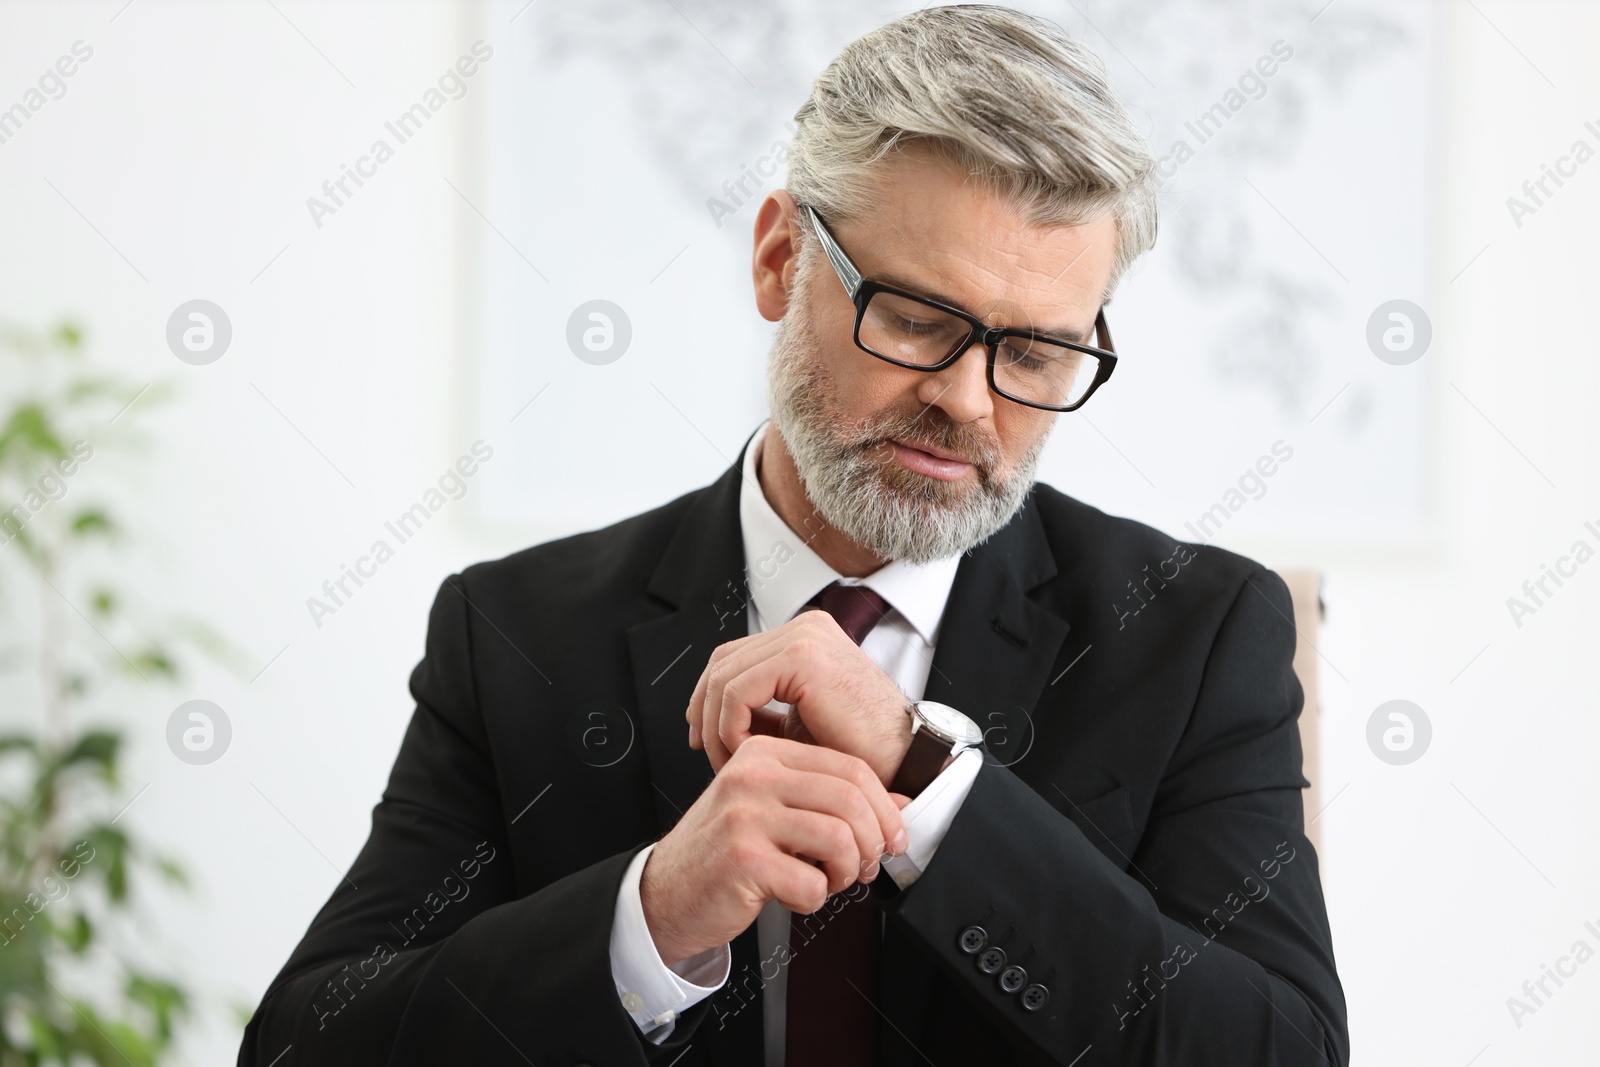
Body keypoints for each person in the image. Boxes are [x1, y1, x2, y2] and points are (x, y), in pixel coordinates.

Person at [239, 6, 1346, 1065]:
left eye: (1036, 356)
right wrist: (649, 918)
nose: (968, 400)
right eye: (915, 319)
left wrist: (931, 780)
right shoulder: (515, 633)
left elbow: (1281, 1050)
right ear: (780, 259)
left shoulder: (1199, 635)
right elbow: (306, 1043)